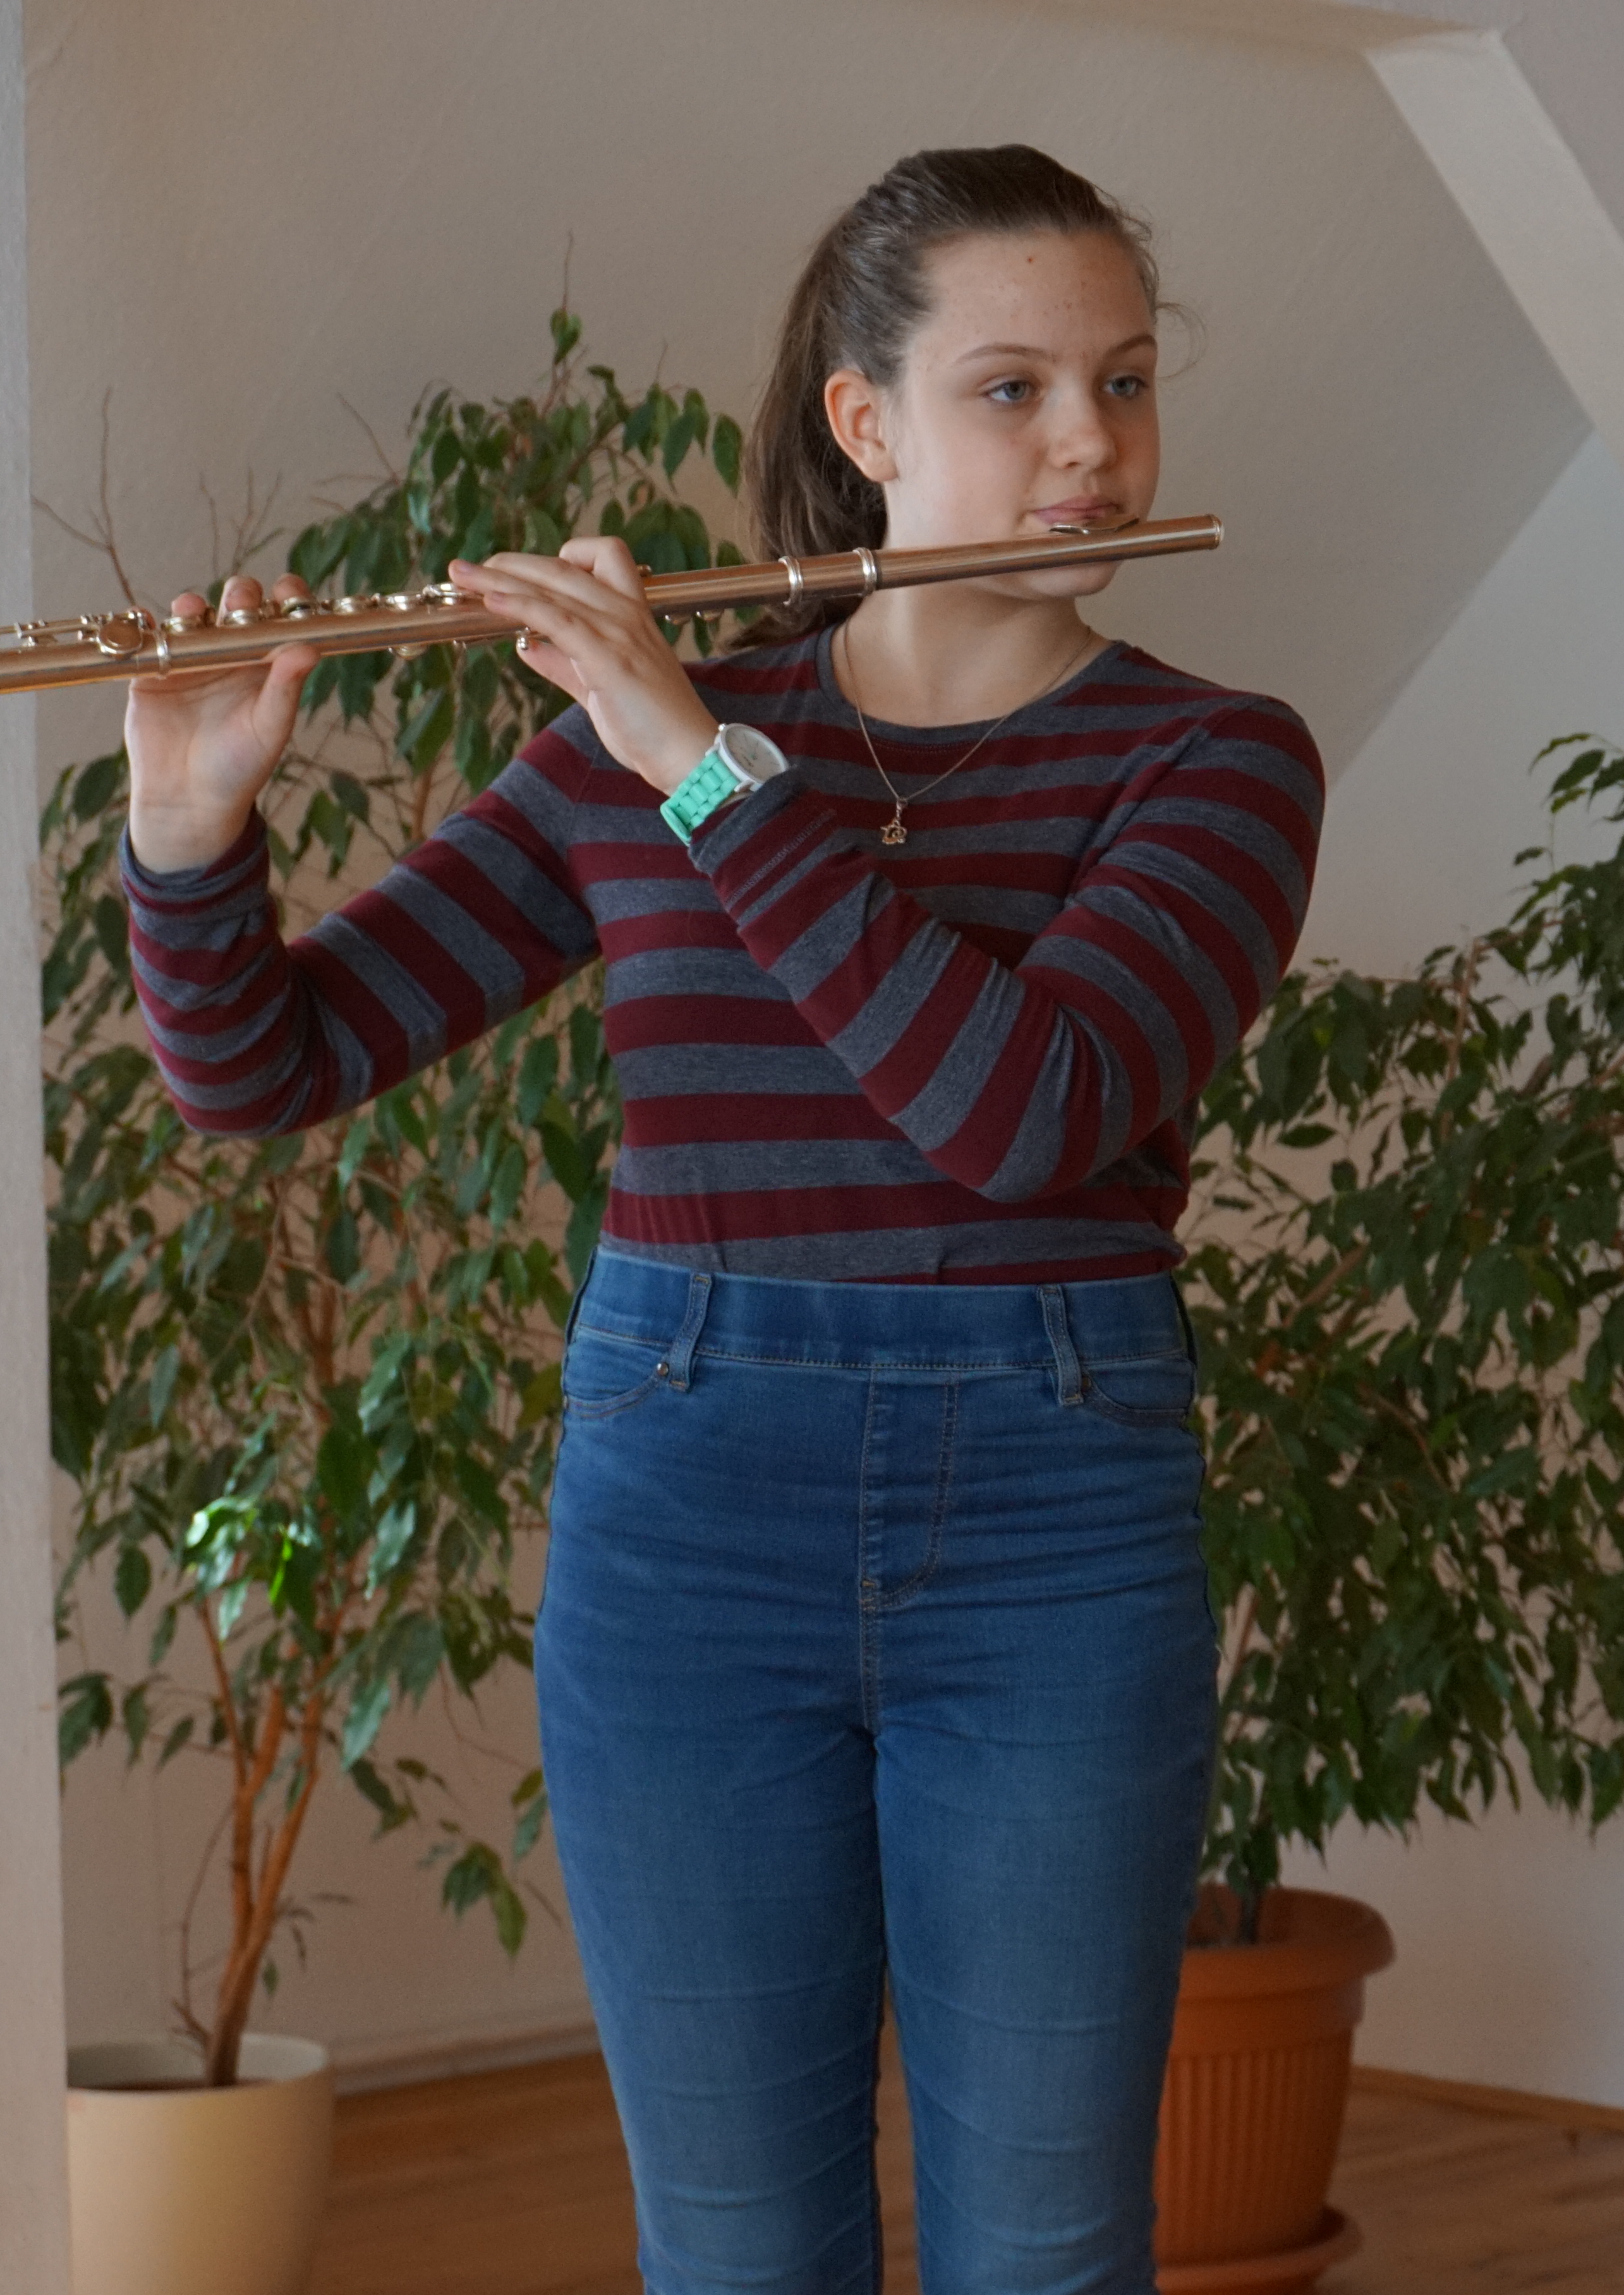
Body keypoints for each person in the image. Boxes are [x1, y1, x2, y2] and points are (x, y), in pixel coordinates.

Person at [118, 145, 1323, 2295]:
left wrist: (696, 763)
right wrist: (187, 834)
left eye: (1124, 383)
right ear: (867, 425)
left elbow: (1018, 1116)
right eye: (1016, 390)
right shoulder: (646, 743)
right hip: (687, 1524)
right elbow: (270, 1066)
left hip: (1051, 1524)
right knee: (740, 2248)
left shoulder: (1216, 763)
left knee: (1050, 2250)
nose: (1089, 444)